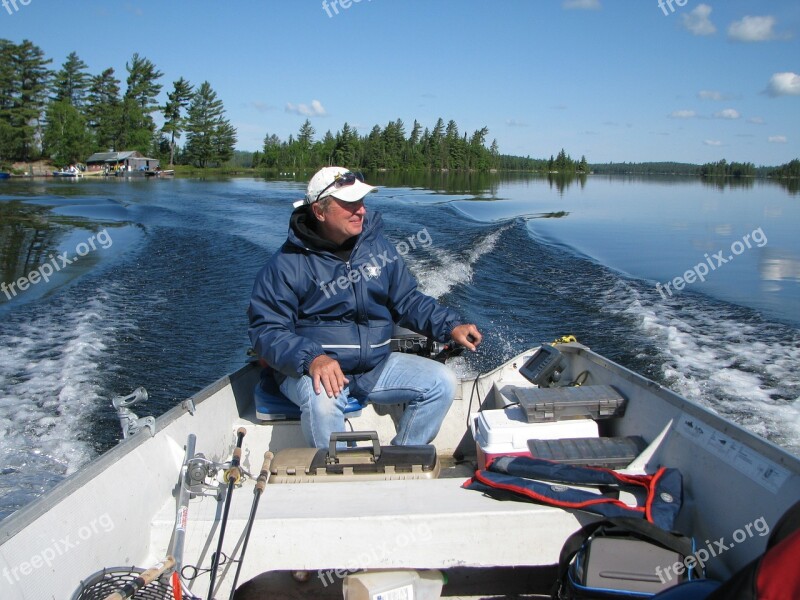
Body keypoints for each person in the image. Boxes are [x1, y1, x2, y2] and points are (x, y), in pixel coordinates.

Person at [248, 166, 482, 449]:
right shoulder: (286, 265)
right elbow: (267, 331)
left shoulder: (378, 249)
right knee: (323, 402)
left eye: (361, 202)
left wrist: (450, 325)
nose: (360, 211)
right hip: (315, 371)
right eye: (348, 204)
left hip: (375, 366)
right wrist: (312, 359)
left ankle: (402, 456)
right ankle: (336, 474)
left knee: (441, 382)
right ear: (320, 212)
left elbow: (407, 300)